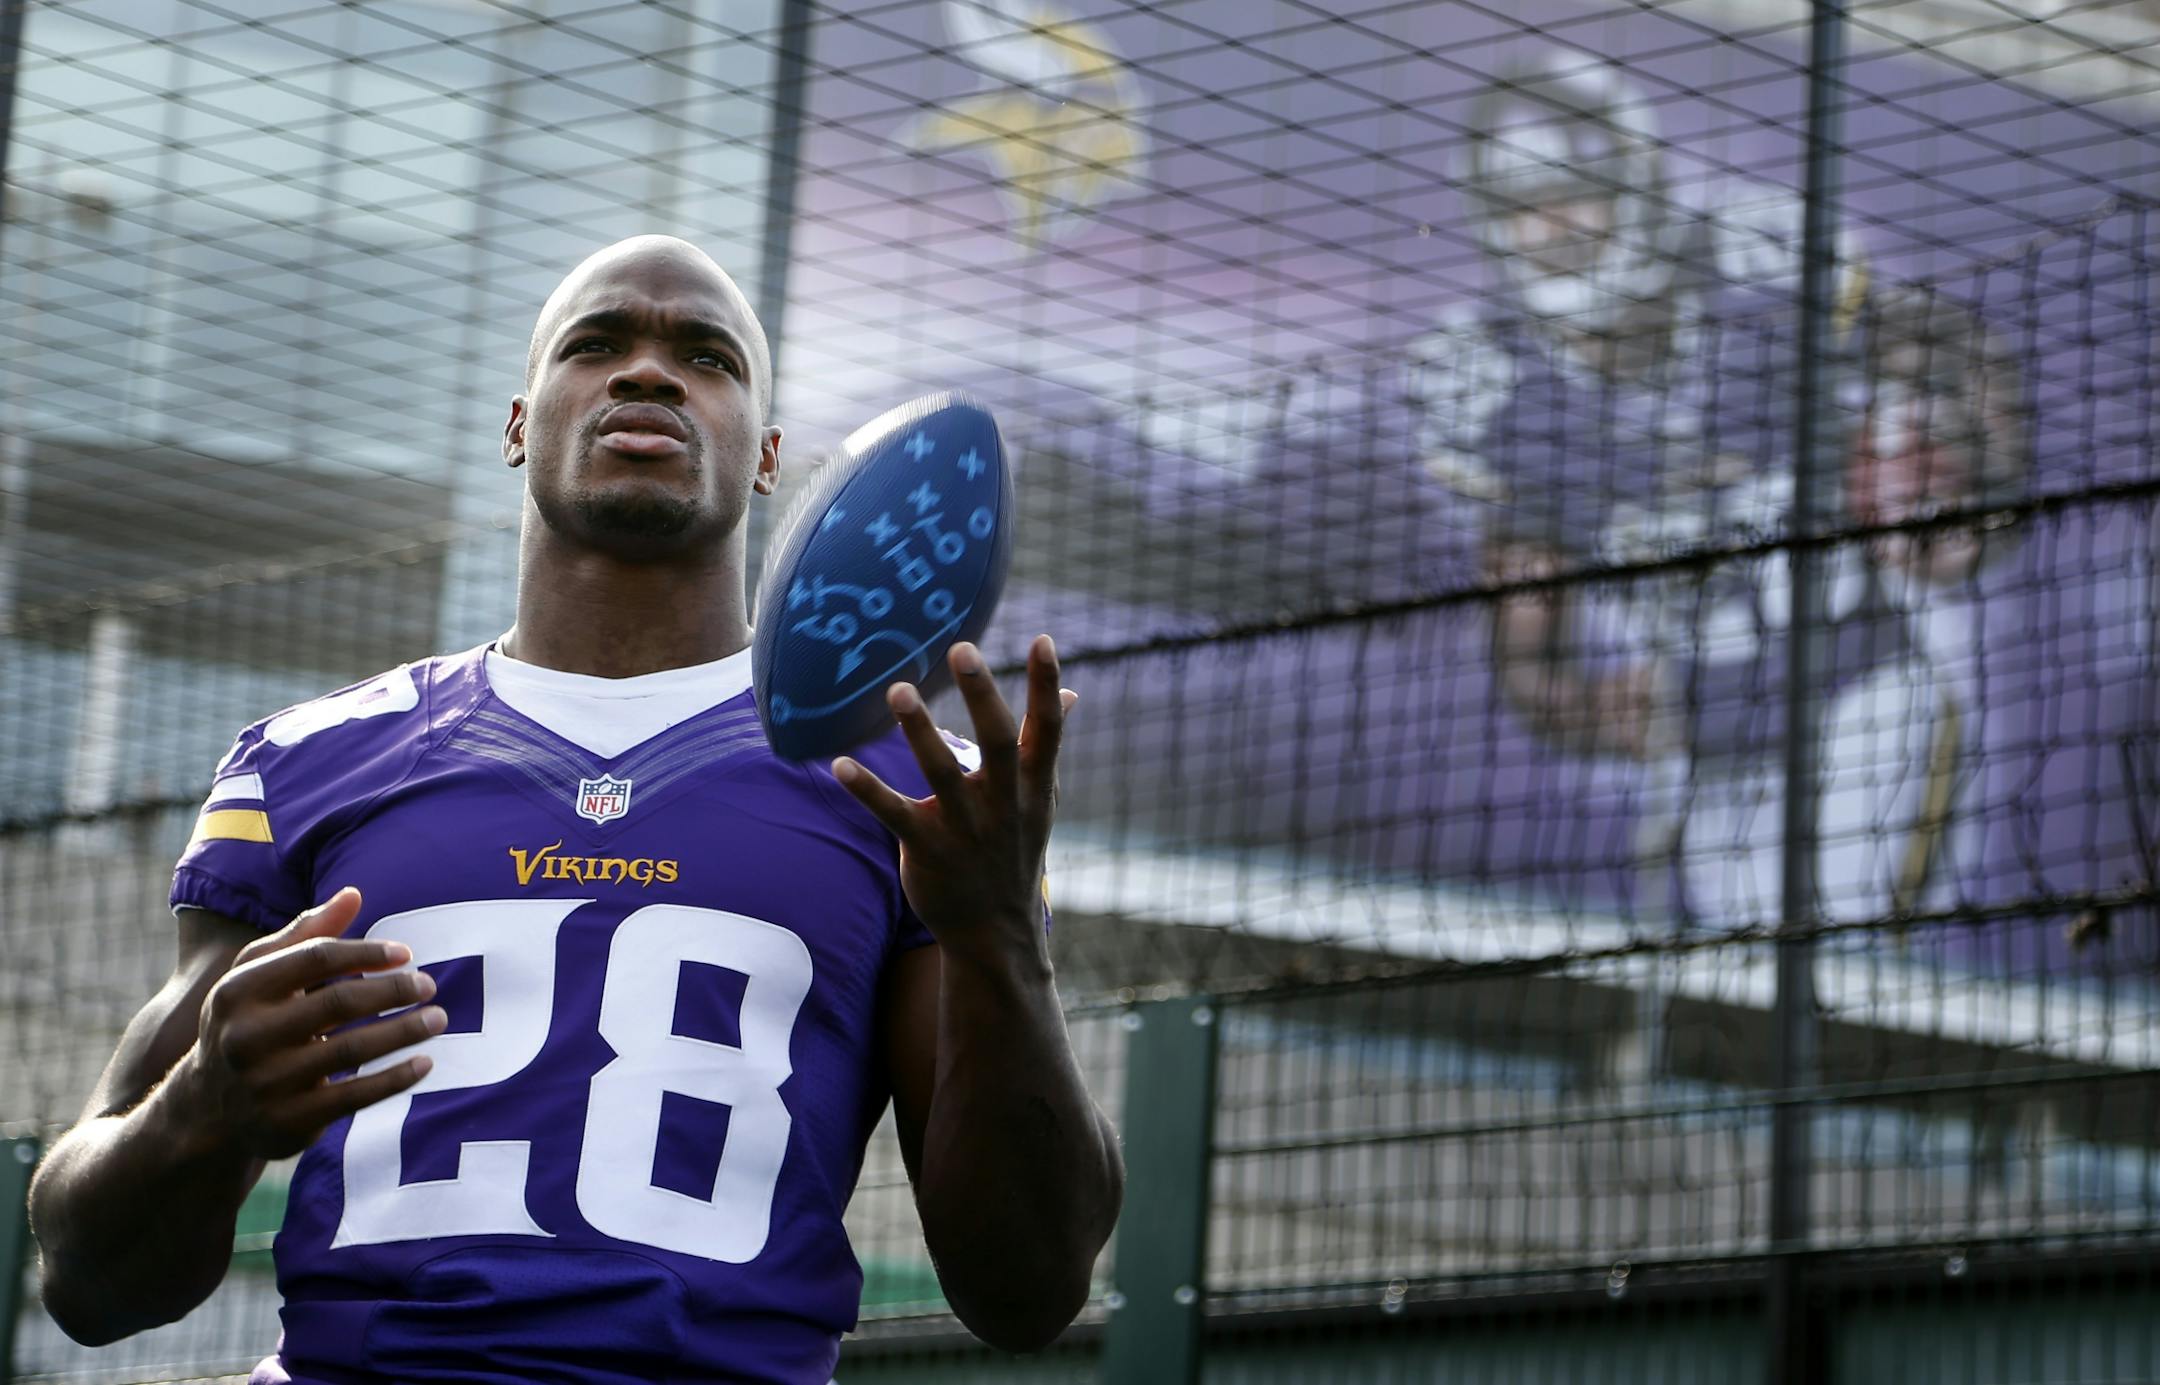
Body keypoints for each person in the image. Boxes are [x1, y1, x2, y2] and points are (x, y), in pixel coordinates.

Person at [27, 235, 1125, 1383]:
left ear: (767, 459)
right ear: (518, 425)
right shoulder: (310, 762)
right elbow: (87, 1279)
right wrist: (205, 1105)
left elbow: (1028, 1289)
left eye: (706, 357)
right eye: (596, 344)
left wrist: (997, 934)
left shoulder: (908, 784)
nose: (648, 373)